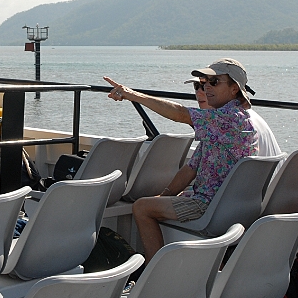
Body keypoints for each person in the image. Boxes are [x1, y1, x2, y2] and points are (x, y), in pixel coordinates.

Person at [105, 58, 257, 262]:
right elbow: (191, 168)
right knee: (152, 202)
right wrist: (164, 195)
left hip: (209, 206)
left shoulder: (228, 118)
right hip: (226, 204)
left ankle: (155, 271)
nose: (206, 88)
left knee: (141, 208)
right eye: (205, 82)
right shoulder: (228, 120)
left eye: (215, 82)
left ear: (234, 89)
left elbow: (179, 114)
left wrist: (132, 95)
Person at [186, 77, 281, 156]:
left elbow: (180, 114)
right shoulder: (247, 115)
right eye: (196, 86)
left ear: (233, 90)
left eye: (205, 86)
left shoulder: (230, 119)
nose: (199, 92)